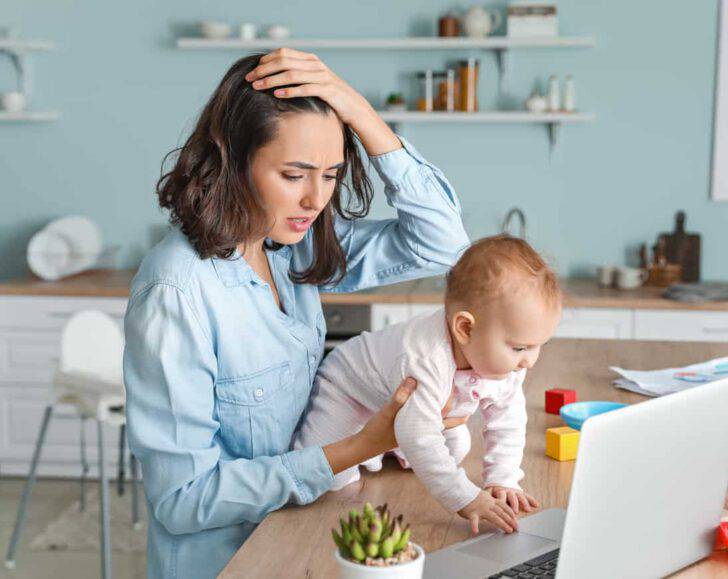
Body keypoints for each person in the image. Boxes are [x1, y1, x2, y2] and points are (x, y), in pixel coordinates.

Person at [123, 48, 470, 578]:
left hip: (303, 534)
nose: (316, 199)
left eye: (330, 175)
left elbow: (443, 244)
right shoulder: (178, 291)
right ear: (232, 162)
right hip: (228, 564)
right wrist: (359, 446)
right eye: (293, 174)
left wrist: (358, 110)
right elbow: (183, 500)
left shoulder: (289, 250)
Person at [295, 235, 563, 534]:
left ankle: (385, 449)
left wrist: (503, 478)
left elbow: (507, 422)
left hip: (409, 409)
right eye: (519, 348)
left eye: (539, 345)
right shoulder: (426, 357)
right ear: (465, 328)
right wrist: (466, 498)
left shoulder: (509, 365)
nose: (530, 361)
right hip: (349, 390)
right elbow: (420, 434)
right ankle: (375, 446)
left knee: (458, 445)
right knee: (332, 480)